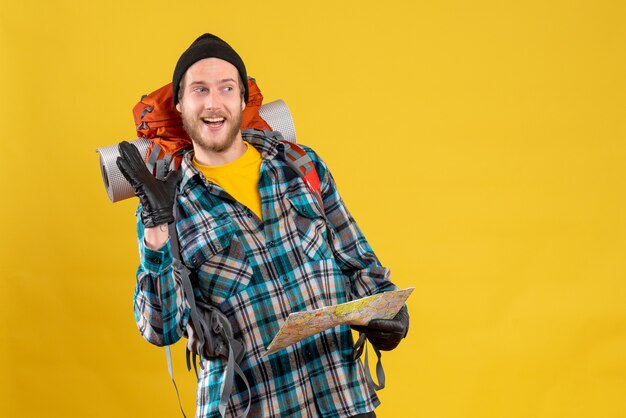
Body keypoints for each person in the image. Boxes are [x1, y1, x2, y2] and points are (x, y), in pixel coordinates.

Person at [117, 33, 409, 418]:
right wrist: (155, 228)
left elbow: (358, 261)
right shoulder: (166, 204)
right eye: (199, 90)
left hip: (342, 399)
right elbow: (161, 328)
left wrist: (389, 313)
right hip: (251, 408)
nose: (213, 102)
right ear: (180, 104)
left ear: (242, 99)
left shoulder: (300, 165)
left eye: (226, 88)